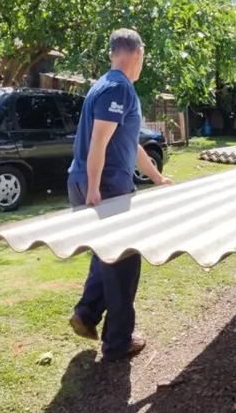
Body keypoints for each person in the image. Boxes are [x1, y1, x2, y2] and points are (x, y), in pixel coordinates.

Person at [66, 28, 171, 362]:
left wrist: (156, 177)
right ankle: (118, 342)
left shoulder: (103, 85)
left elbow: (130, 144)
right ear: (137, 53)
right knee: (125, 262)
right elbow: (99, 140)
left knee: (104, 253)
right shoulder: (120, 88)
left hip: (84, 179)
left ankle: (86, 313)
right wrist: (96, 189)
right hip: (105, 185)